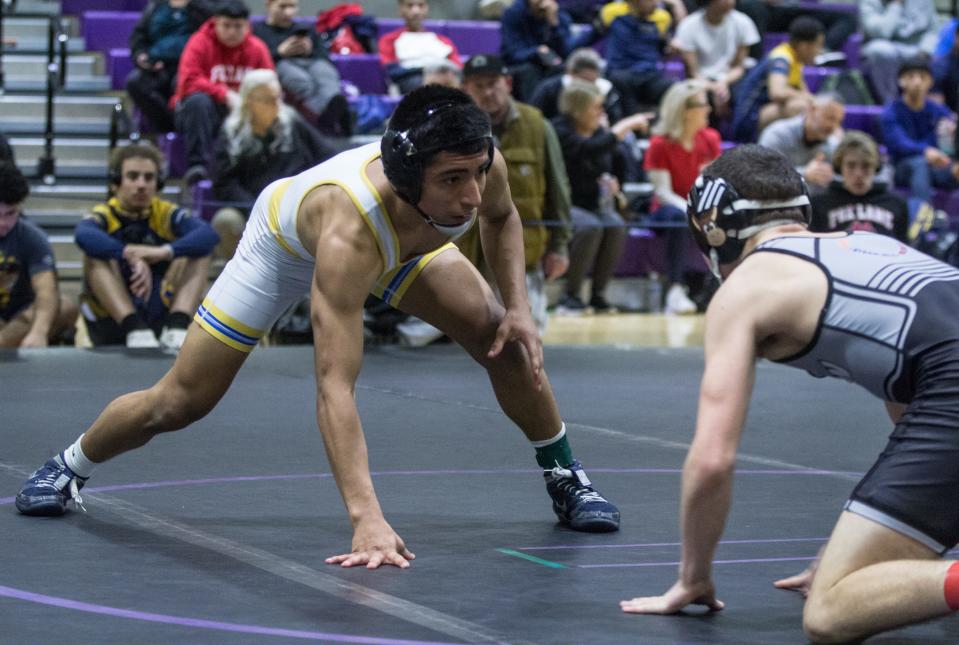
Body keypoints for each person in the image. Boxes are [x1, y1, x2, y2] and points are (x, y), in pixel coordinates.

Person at [15, 87, 621, 567]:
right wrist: (366, 517)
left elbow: (503, 217)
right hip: (286, 246)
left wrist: (517, 305)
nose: (471, 194)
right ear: (410, 177)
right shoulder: (348, 226)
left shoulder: (474, 165)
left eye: (477, 173)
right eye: (453, 181)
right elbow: (335, 385)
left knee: (503, 339)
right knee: (182, 400)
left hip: (408, 244)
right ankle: (69, 466)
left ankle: (567, 476)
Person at [620, 143, 959, 643]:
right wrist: (852, 547)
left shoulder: (747, 288)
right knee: (861, 569)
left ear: (711, 227)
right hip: (942, 386)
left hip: (949, 387)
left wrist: (693, 577)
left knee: (832, 610)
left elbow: (712, 458)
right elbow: (910, 413)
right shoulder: (867, 246)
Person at [459, 54, 573, 334]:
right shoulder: (455, 129)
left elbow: (558, 188)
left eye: (493, 83)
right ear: (465, 89)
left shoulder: (537, 126)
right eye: (478, 85)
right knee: (471, 338)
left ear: (508, 83)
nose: (487, 91)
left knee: (527, 335)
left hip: (524, 252)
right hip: (467, 254)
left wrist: (559, 245)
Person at [76, 144, 219, 350]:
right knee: (96, 255)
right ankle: (133, 326)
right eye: (133, 177)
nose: (142, 185)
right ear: (116, 183)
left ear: (158, 183)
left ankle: (177, 326)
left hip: (160, 315)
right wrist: (129, 254)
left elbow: (208, 235)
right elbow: (83, 235)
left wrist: (163, 252)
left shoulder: (165, 212)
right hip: (112, 323)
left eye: (149, 178)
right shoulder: (105, 213)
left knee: (200, 251)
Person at [210, 69, 336, 259]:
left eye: (279, 98)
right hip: (248, 209)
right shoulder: (231, 132)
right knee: (226, 220)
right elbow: (223, 183)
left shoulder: (292, 121)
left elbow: (328, 156)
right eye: (269, 100)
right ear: (249, 102)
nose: (277, 105)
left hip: (294, 205)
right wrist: (256, 207)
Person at [551, 79, 649, 314]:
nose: (601, 112)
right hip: (563, 204)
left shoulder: (598, 131)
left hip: (593, 202)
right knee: (590, 227)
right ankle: (571, 296)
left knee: (615, 224)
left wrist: (612, 183)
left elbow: (616, 163)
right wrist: (622, 127)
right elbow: (587, 150)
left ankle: (598, 295)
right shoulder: (560, 130)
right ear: (578, 109)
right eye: (595, 107)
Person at [171, 0, 274, 185]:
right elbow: (188, 81)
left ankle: (263, 170)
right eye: (226, 26)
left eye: (238, 26)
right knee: (197, 102)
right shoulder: (199, 42)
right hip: (203, 111)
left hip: (242, 111)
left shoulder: (257, 48)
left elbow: (269, 83)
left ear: (247, 25)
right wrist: (224, 94)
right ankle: (198, 166)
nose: (232, 32)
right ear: (215, 22)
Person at [644, 80, 721, 314]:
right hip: (666, 210)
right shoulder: (659, 144)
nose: (708, 109)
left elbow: (714, 182)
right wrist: (691, 209)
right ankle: (675, 291)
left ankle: (719, 288)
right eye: (702, 104)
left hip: (699, 207)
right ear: (685, 110)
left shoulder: (710, 139)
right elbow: (663, 193)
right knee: (678, 217)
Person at [0, 161, 77, 348]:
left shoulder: (31, 237)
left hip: (20, 316)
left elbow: (46, 289)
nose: (2, 223)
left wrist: (39, 332)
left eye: (10, 214)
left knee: (65, 306)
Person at [252, 0, 350, 136]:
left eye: (292, 6)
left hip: (312, 61)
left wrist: (310, 50)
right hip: (280, 63)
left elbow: (324, 56)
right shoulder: (258, 30)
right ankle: (325, 117)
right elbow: (257, 61)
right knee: (300, 80)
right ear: (269, 5)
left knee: (327, 74)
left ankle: (327, 113)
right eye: (282, 6)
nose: (288, 12)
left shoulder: (306, 29)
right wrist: (279, 52)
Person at [125, 0, 215, 133]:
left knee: (183, 85)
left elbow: (212, 35)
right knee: (134, 82)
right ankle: (167, 128)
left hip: (190, 66)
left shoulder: (205, 7)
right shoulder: (155, 6)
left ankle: (181, 127)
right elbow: (138, 36)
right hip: (157, 66)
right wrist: (141, 55)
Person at [731, 15, 823, 143]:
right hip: (748, 120)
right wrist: (809, 98)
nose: (819, 52)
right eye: (817, 46)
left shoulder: (796, 62)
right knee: (798, 106)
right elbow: (777, 92)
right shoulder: (781, 58)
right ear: (804, 46)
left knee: (812, 107)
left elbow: (805, 94)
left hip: (764, 114)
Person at [881, 56, 959, 206]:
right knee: (919, 165)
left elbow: (949, 139)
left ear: (930, 81)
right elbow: (899, 144)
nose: (917, 82)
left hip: (935, 166)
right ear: (900, 81)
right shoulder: (891, 112)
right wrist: (926, 151)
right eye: (911, 77)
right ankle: (921, 220)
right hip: (901, 167)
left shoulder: (939, 110)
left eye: (922, 77)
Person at [810, 130, 910, 241]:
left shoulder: (896, 203)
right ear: (839, 167)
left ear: (876, 167)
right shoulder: (819, 203)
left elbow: (905, 249)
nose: (858, 174)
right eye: (851, 166)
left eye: (866, 166)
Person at [672, 0, 760, 120]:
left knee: (743, 95)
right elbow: (693, 72)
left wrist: (723, 83)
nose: (731, 2)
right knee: (701, 99)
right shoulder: (689, 25)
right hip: (702, 79)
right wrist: (714, 88)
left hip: (732, 77)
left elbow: (739, 66)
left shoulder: (742, 22)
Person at [757, 92, 845, 195]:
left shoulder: (833, 145)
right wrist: (804, 174)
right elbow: (763, 177)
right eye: (830, 118)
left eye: (838, 122)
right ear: (811, 110)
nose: (833, 126)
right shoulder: (777, 135)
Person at [603, 0, 676, 116]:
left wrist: (670, 49)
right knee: (621, 81)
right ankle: (633, 130)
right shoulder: (613, 14)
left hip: (648, 75)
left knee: (674, 88)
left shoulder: (661, 18)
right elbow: (591, 35)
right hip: (621, 72)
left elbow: (662, 49)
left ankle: (661, 129)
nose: (655, 3)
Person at [500, 0, 582, 101]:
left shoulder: (560, 16)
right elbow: (513, 53)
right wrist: (537, 51)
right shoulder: (513, 13)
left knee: (568, 70)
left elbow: (566, 52)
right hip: (520, 66)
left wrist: (554, 24)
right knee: (529, 70)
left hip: (550, 65)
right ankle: (534, 111)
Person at [861, 0, 940, 105]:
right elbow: (882, 32)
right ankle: (890, 103)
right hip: (884, 45)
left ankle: (926, 104)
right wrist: (895, 5)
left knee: (941, 59)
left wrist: (926, 49)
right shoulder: (870, 2)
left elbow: (934, 30)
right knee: (880, 51)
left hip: (916, 48)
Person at [377, 0, 463, 94]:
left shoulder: (443, 41)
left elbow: (458, 67)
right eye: (410, 6)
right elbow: (393, 72)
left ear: (427, 9)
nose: (416, 11)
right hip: (410, 88)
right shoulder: (389, 40)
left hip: (447, 86)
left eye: (421, 5)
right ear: (401, 9)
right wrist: (425, 72)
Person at [529, 47, 626, 123]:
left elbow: (615, 122)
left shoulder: (605, 89)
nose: (587, 86)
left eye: (592, 81)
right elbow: (535, 120)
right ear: (569, 73)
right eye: (583, 80)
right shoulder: (548, 90)